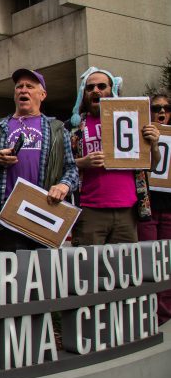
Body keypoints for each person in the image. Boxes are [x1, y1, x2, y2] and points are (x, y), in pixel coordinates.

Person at [0, 68, 78, 251]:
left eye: (30, 86)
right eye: (19, 86)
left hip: (43, 215)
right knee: (10, 276)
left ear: (42, 94)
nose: (23, 90)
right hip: (5, 217)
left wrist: (63, 186)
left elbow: (72, 169)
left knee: (41, 276)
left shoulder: (57, 129)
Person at [68, 67, 160, 245]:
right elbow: (62, 166)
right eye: (90, 87)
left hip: (127, 210)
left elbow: (153, 165)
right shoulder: (73, 128)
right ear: (84, 94)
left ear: (113, 90)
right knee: (88, 270)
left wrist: (154, 144)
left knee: (124, 271)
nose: (96, 90)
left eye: (102, 86)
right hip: (89, 211)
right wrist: (82, 162)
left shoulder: (133, 121)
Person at [138, 91, 171, 242]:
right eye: (156, 108)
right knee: (148, 255)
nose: (162, 111)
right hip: (147, 209)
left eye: (167, 108)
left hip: (169, 208)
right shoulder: (137, 135)